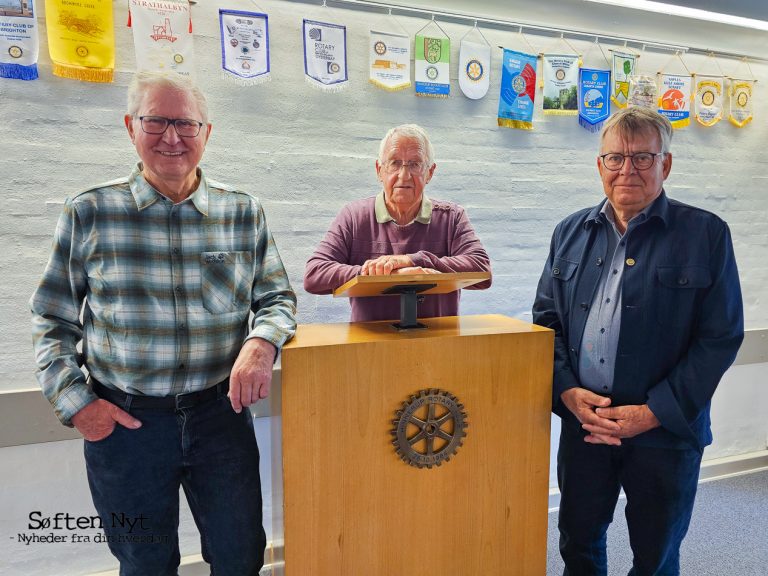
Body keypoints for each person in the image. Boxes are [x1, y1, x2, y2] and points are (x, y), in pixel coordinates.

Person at [30, 72, 297, 576]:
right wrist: (77, 404)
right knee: (144, 563)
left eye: (185, 124)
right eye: (156, 121)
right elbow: (52, 317)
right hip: (127, 427)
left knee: (240, 556)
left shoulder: (243, 213)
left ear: (207, 133)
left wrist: (262, 342)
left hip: (220, 420)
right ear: (131, 126)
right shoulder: (89, 213)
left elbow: (277, 296)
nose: (171, 137)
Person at [532, 107, 743, 576]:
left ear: (665, 165)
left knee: (656, 554)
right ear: (599, 165)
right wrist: (566, 391)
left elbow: (720, 337)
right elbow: (547, 322)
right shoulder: (569, 233)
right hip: (586, 425)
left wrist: (652, 413)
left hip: (665, 432)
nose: (627, 169)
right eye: (615, 158)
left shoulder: (705, 234)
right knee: (578, 543)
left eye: (643, 157)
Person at [304, 123, 491, 321]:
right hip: (370, 347)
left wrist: (414, 260)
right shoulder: (353, 216)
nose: (404, 175)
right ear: (379, 170)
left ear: (430, 173)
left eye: (415, 164)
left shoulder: (451, 217)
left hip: (437, 346)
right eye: (394, 163)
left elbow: (482, 269)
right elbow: (314, 274)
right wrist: (376, 273)